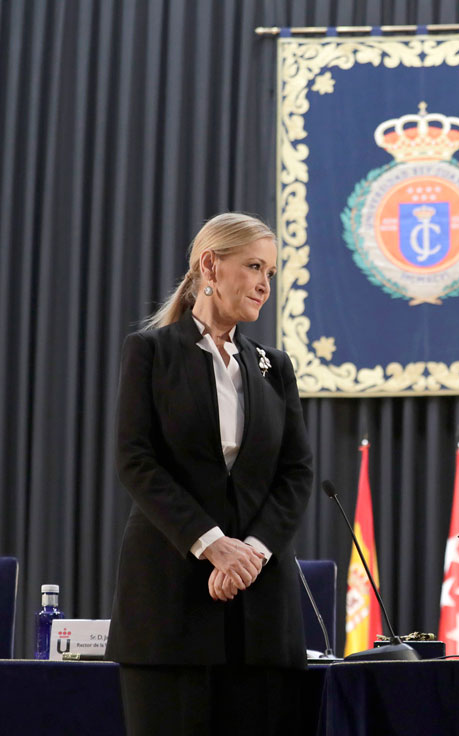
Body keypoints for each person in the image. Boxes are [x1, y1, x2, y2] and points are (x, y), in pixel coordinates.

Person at [107, 212, 314, 736]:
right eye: (253, 266)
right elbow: (135, 460)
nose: (266, 284)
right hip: (169, 604)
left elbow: (297, 472)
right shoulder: (151, 353)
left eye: (271, 270)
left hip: (262, 609)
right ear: (210, 266)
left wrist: (251, 555)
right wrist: (212, 544)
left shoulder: (275, 367)